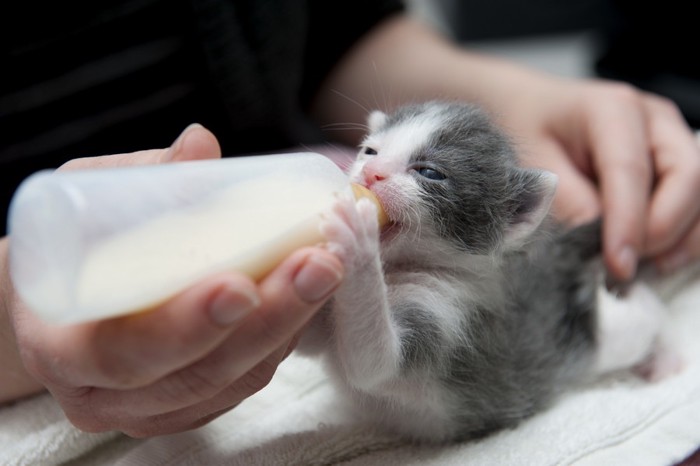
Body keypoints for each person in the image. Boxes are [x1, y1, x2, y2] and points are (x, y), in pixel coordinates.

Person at [1, 0, 699, 438]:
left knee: (611, 334)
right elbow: (313, 345)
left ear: (505, 222)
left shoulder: (445, 295)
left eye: (424, 173)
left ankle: (649, 321)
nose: (368, 171)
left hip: (518, 369)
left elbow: (373, 367)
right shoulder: (378, 243)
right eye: (370, 149)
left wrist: (517, 93)